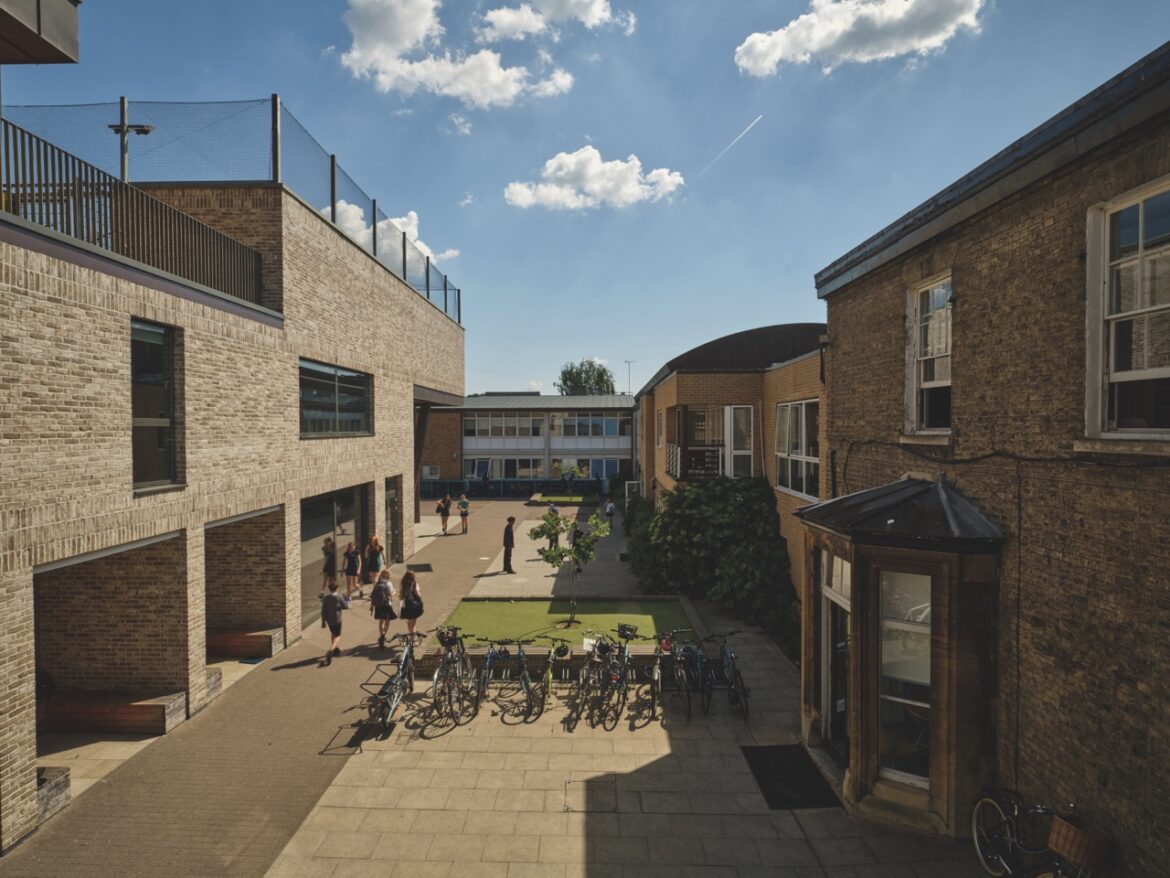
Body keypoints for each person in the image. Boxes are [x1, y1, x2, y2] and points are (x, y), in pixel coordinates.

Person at [320, 580, 346, 664]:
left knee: (333, 633)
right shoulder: (339, 597)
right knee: (338, 636)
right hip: (337, 619)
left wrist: (323, 622)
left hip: (329, 620)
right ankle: (331, 650)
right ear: (337, 588)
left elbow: (323, 611)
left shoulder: (326, 598)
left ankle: (335, 649)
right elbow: (345, 606)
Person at [370, 569, 397, 648]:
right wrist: (394, 592)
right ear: (387, 575)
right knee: (387, 622)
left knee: (381, 621)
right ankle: (383, 635)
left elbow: (373, 594)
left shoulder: (377, 583)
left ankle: (381, 635)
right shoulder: (388, 583)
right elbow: (391, 594)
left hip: (378, 605)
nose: (390, 576)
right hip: (387, 605)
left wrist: (372, 605)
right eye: (389, 575)